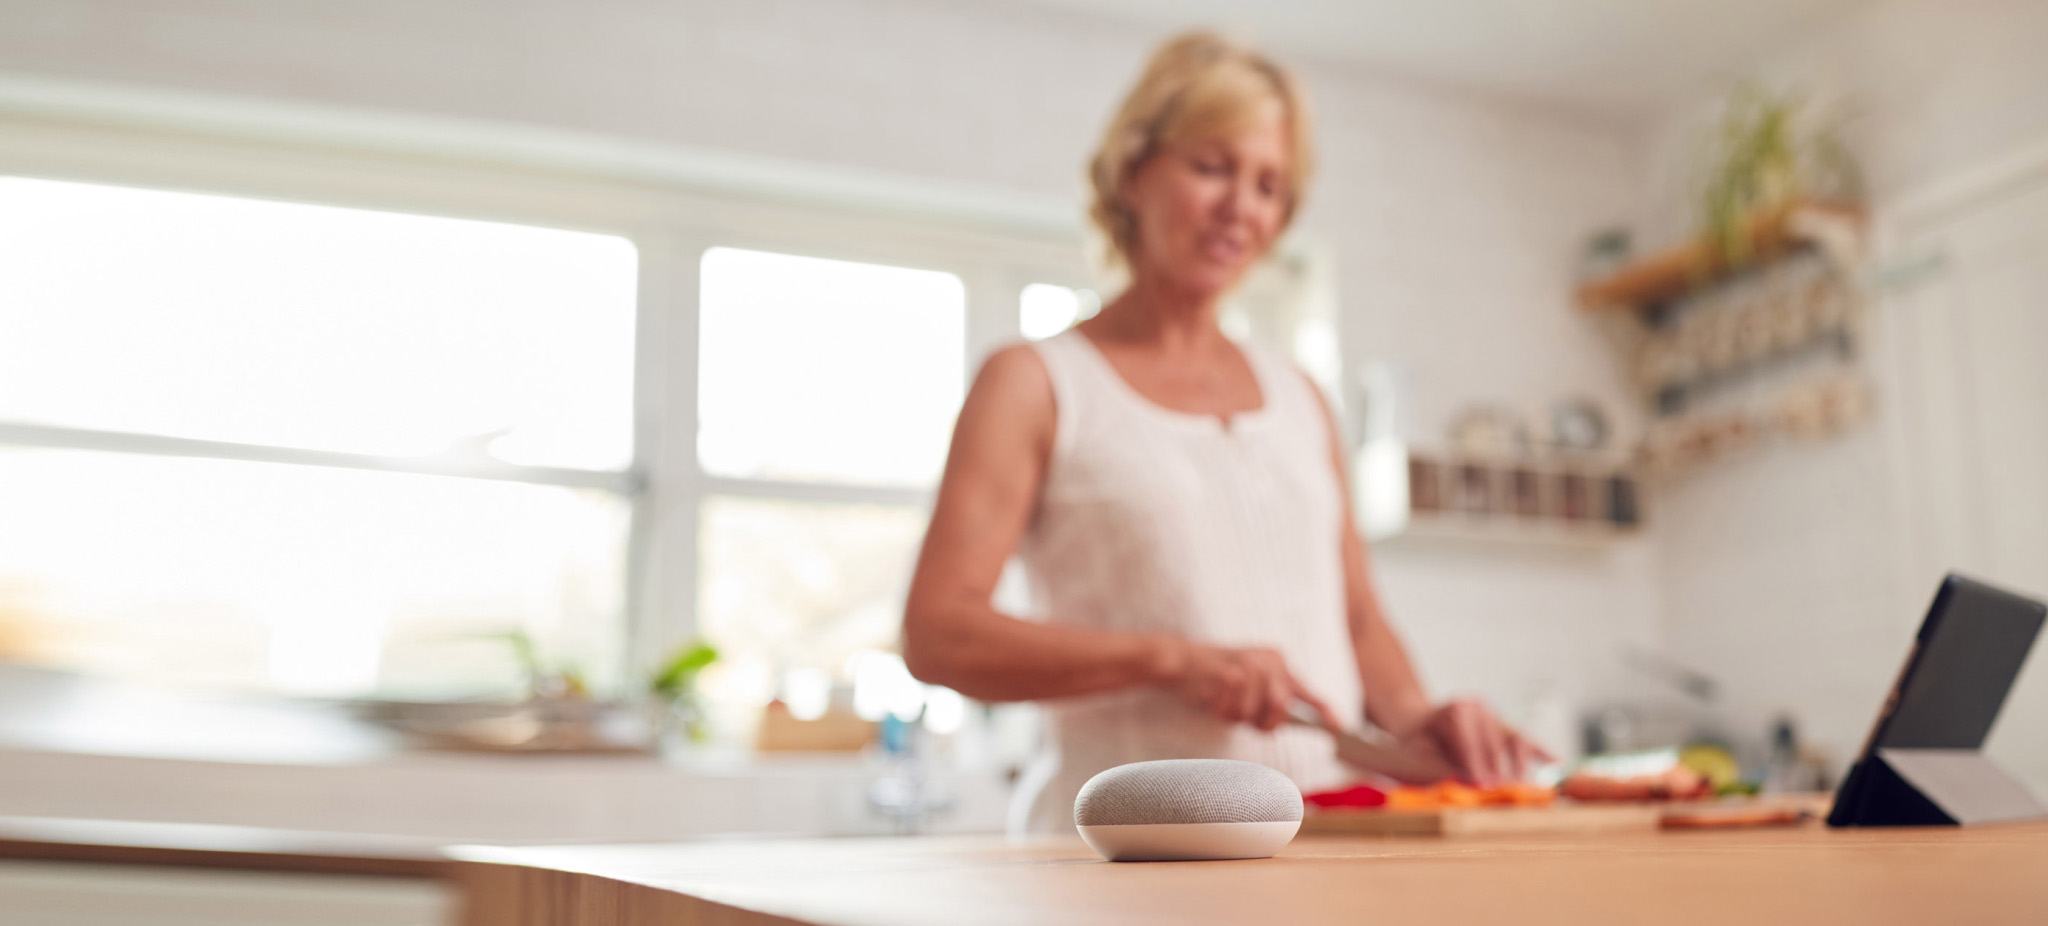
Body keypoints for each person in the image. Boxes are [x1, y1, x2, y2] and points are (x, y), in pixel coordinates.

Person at [901, 30, 1549, 833]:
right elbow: (939, 635)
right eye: (1212, 167)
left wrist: (1415, 716)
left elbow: (1355, 620)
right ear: (1133, 172)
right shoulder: (1037, 382)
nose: (1241, 208)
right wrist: (1170, 659)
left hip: (1327, 837)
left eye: (1270, 185)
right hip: (1125, 850)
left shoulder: (1299, 395)